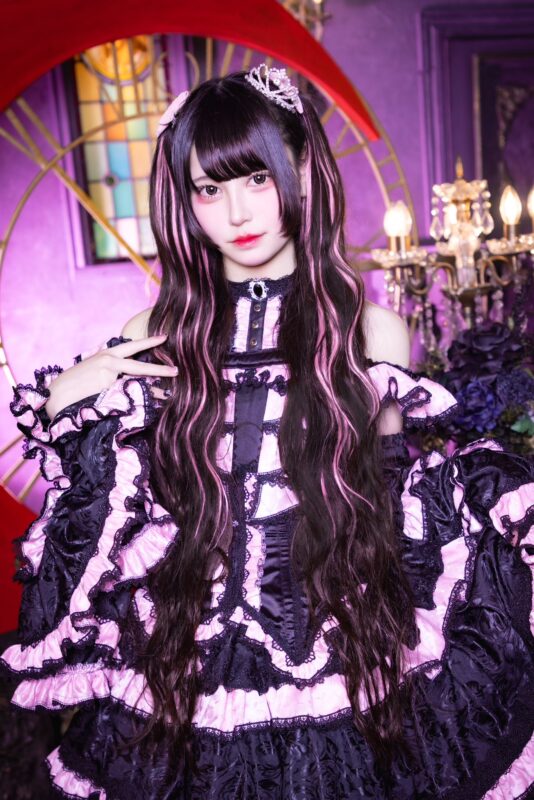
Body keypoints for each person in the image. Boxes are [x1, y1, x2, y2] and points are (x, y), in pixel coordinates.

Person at [1, 66, 533, 800]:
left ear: (304, 171)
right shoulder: (154, 330)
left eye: (257, 178)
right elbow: (103, 492)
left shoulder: (372, 331)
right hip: (181, 643)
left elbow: (385, 494)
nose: (236, 212)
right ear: (185, 201)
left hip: (340, 636)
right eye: (208, 189)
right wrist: (80, 389)